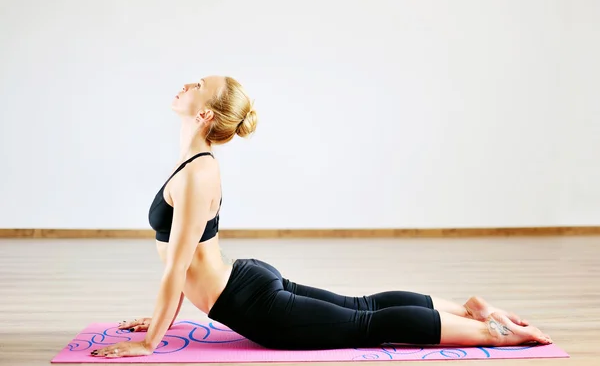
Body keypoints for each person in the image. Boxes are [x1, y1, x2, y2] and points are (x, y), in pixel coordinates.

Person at [91, 75, 553, 358]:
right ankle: (467, 309)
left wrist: (151, 340)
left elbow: (177, 267)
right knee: (363, 309)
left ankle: (496, 332)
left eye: (197, 85)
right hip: (246, 284)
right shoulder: (196, 163)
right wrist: (158, 322)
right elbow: (183, 266)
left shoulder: (197, 173)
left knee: (369, 323)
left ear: (206, 112)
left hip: (254, 304)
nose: (186, 85)